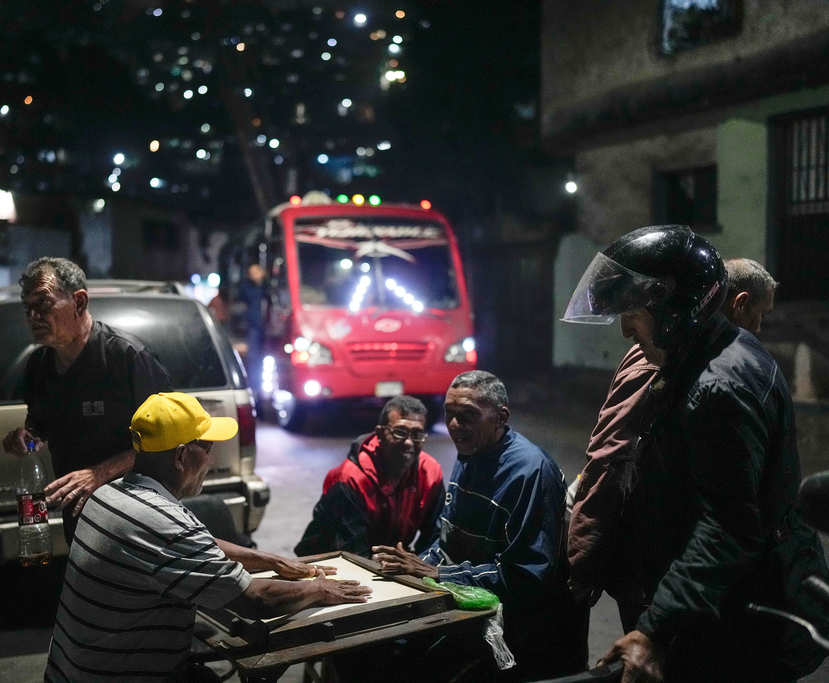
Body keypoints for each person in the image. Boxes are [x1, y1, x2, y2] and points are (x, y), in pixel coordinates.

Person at [562, 225, 829, 681]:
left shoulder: (718, 385)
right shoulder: (701, 355)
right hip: (715, 609)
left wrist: (653, 630)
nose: (626, 328)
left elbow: (727, 526)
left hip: (733, 624)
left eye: (633, 311)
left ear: (674, 306)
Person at [45, 392, 371, 682]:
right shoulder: (163, 523)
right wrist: (319, 589)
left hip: (71, 670)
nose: (212, 460)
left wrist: (269, 559)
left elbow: (201, 544)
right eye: (208, 448)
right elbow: (256, 599)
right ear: (181, 457)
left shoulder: (111, 495)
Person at [567, 257, 779, 632]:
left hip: (674, 572)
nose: (760, 327)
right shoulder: (661, 359)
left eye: (632, 314)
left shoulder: (716, 367)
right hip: (654, 571)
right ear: (739, 303)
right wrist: (586, 557)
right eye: (759, 314)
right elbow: (612, 456)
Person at [369, 371, 588, 682]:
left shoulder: (528, 473)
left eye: (468, 415)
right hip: (471, 601)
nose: (455, 426)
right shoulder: (471, 452)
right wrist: (413, 565)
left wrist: (440, 574)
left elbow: (527, 576)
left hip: (520, 625)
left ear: (500, 417)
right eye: (450, 414)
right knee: (382, 650)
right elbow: (449, 539)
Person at [2, 257, 172, 543]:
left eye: (42, 303)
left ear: (79, 302)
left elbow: (168, 441)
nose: (32, 316)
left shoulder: (127, 357)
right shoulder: (39, 366)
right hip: (79, 516)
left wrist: (100, 473)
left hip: (139, 514)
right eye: (27, 306)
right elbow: (40, 427)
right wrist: (26, 439)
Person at [294, 395, 444, 558]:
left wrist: (422, 564)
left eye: (417, 434)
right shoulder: (350, 479)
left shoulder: (430, 473)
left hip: (387, 560)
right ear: (379, 433)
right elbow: (350, 553)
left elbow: (436, 536)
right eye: (399, 432)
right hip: (330, 561)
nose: (409, 442)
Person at [237, 263, 267, 397]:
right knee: (254, 359)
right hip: (254, 327)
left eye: (256, 272)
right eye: (251, 273)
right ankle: (255, 387)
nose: (253, 275)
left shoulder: (268, 286)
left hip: (267, 328)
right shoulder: (247, 288)